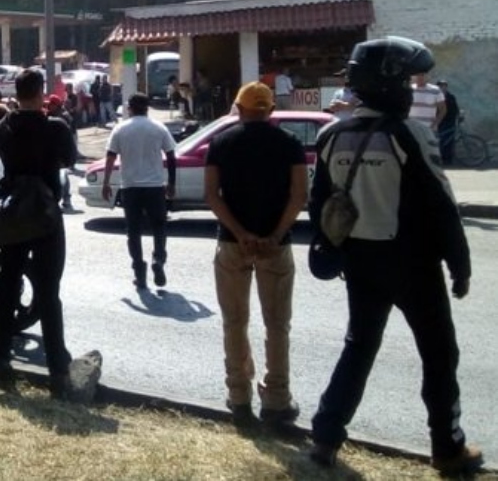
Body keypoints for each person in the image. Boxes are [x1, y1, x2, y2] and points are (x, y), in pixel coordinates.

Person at [307, 37, 482, 476]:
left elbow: (319, 202)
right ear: (387, 86)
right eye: (404, 82)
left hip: (359, 263)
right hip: (413, 265)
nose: (410, 91)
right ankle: (448, 448)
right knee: (439, 354)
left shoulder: (332, 134)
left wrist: (331, 250)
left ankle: (325, 437)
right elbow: (441, 205)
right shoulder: (411, 134)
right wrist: (459, 266)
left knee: (358, 348)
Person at [204, 82, 307, 428]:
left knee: (235, 323)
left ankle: (239, 397)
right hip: (276, 246)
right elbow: (299, 196)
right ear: (270, 110)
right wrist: (275, 234)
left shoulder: (221, 143)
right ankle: (277, 400)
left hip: (233, 245)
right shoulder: (290, 143)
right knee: (277, 325)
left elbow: (212, 196)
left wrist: (241, 233)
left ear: (239, 108)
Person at [0, 69, 77, 398]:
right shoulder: (55, 126)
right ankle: (57, 369)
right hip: (45, 213)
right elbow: (68, 159)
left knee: (7, 284)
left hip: (13, 211)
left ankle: (0, 359)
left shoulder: (3, 126)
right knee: (48, 291)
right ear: (41, 92)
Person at [101, 93, 177, 289]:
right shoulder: (158, 128)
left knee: (133, 231)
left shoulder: (121, 129)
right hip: (155, 187)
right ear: (147, 108)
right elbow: (171, 156)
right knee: (159, 227)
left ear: (130, 108)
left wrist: (106, 182)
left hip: (131, 187)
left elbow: (110, 157)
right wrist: (172, 183)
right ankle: (158, 260)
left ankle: (139, 272)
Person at [46, 94, 76, 211]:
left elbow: (69, 136)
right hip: (51, 150)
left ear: (56, 105)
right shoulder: (49, 115)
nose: (49, 106)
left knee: (63, 173)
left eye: (51, 104)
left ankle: (66, 198)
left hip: (61, 151)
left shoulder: (64, 117)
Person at [436, 80, 461, 165]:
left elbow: (456, 108)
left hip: (450, 121)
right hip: (440, 121)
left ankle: (448, 160)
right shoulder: (436, 96)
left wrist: (459, 115)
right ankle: (439, 158)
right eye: (441, 86)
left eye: (444, 86)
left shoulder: (451, 97)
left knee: (449, 141)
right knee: (441, 140)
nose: (443, 87)